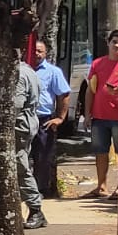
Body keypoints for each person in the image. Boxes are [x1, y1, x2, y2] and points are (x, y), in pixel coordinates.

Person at [0, 55, 47, 229]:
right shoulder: (23, 69)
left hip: (17, 127)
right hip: (16, 125)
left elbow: (14, 105)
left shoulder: (18, 74)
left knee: (20, 168)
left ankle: (36, 210)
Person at [85, 29, 118, 199]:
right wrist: (87, 114)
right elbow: (90, 90)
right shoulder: (97, 64)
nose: (117, 45)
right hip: (99, 117)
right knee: (100, 152)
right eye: (114, 41)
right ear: (108, 43)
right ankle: (101, 186)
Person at [30, 42, 72, 198]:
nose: (36, 54)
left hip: (44, 120)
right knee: (23, 157)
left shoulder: (53, 72)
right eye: (34, 50)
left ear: (45, 53)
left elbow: (64, 94)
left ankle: (41, 191)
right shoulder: (21, 69)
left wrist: (60, 118)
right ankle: (25, 190)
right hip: (24, 119)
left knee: (43, 158)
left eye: (40, 51)